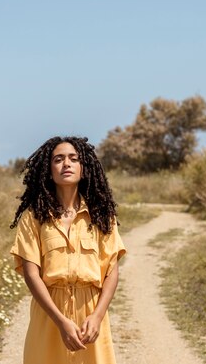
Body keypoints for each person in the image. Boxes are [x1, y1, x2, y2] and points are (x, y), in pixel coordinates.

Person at [9, 136, 126, 364]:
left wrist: (98, 316)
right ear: (48, 169)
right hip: (49, 315)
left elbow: (112, 271)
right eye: (58, 159)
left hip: (90, 314)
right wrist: (61, 321)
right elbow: (32, 275)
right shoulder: (34, 217)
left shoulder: (102, 216)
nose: (66, 164)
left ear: (84, 167)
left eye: (74, 159)